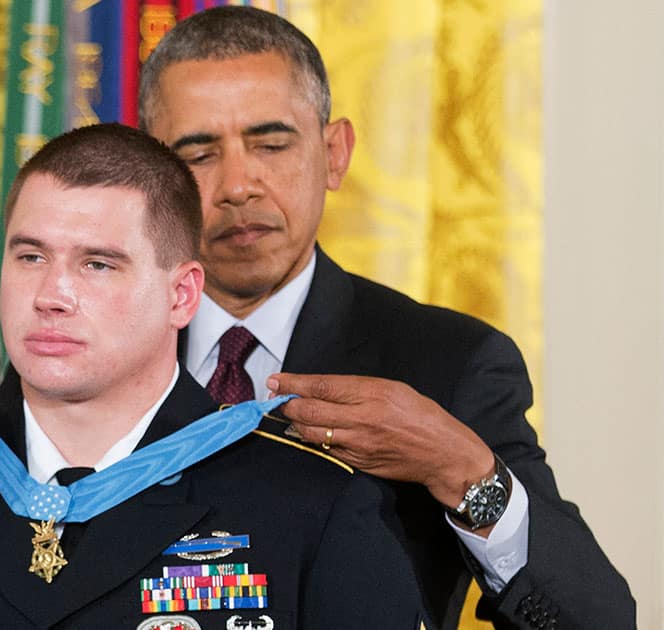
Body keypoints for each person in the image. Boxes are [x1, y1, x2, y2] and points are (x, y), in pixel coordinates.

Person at [0, 123, 423, 629]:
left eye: (97, 265)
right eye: (30, 255)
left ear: (181, 295)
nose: (51, 294)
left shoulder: (313, 503)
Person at [135, 6, 634, 629]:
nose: (239, 184)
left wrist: (463, 469)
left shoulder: (449, 363)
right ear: (151, 178)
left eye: (270, 143)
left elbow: (597, 620)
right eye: (199, 153)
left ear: (334, 152)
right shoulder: (92, 348)